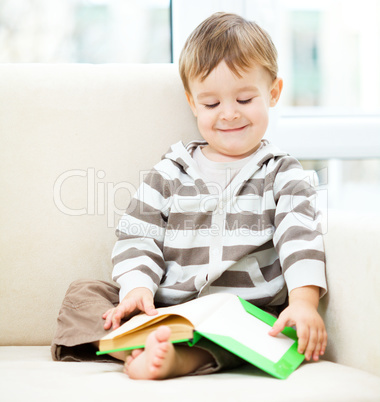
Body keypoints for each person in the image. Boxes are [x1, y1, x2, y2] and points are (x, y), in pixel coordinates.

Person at [51, 12, 327, 380]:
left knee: (269, 333)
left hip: (244, 312)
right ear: (193, 103)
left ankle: (175, 359)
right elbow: (138, 234)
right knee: (83, 295)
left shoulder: (281, 172)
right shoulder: (170, 171)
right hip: (166, 305)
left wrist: (304, 303)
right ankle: (136, 344)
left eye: (244, 99)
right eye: (211, 104)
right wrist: (137, 289)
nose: (228, 114)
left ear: (273, 92)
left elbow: (301, 236)